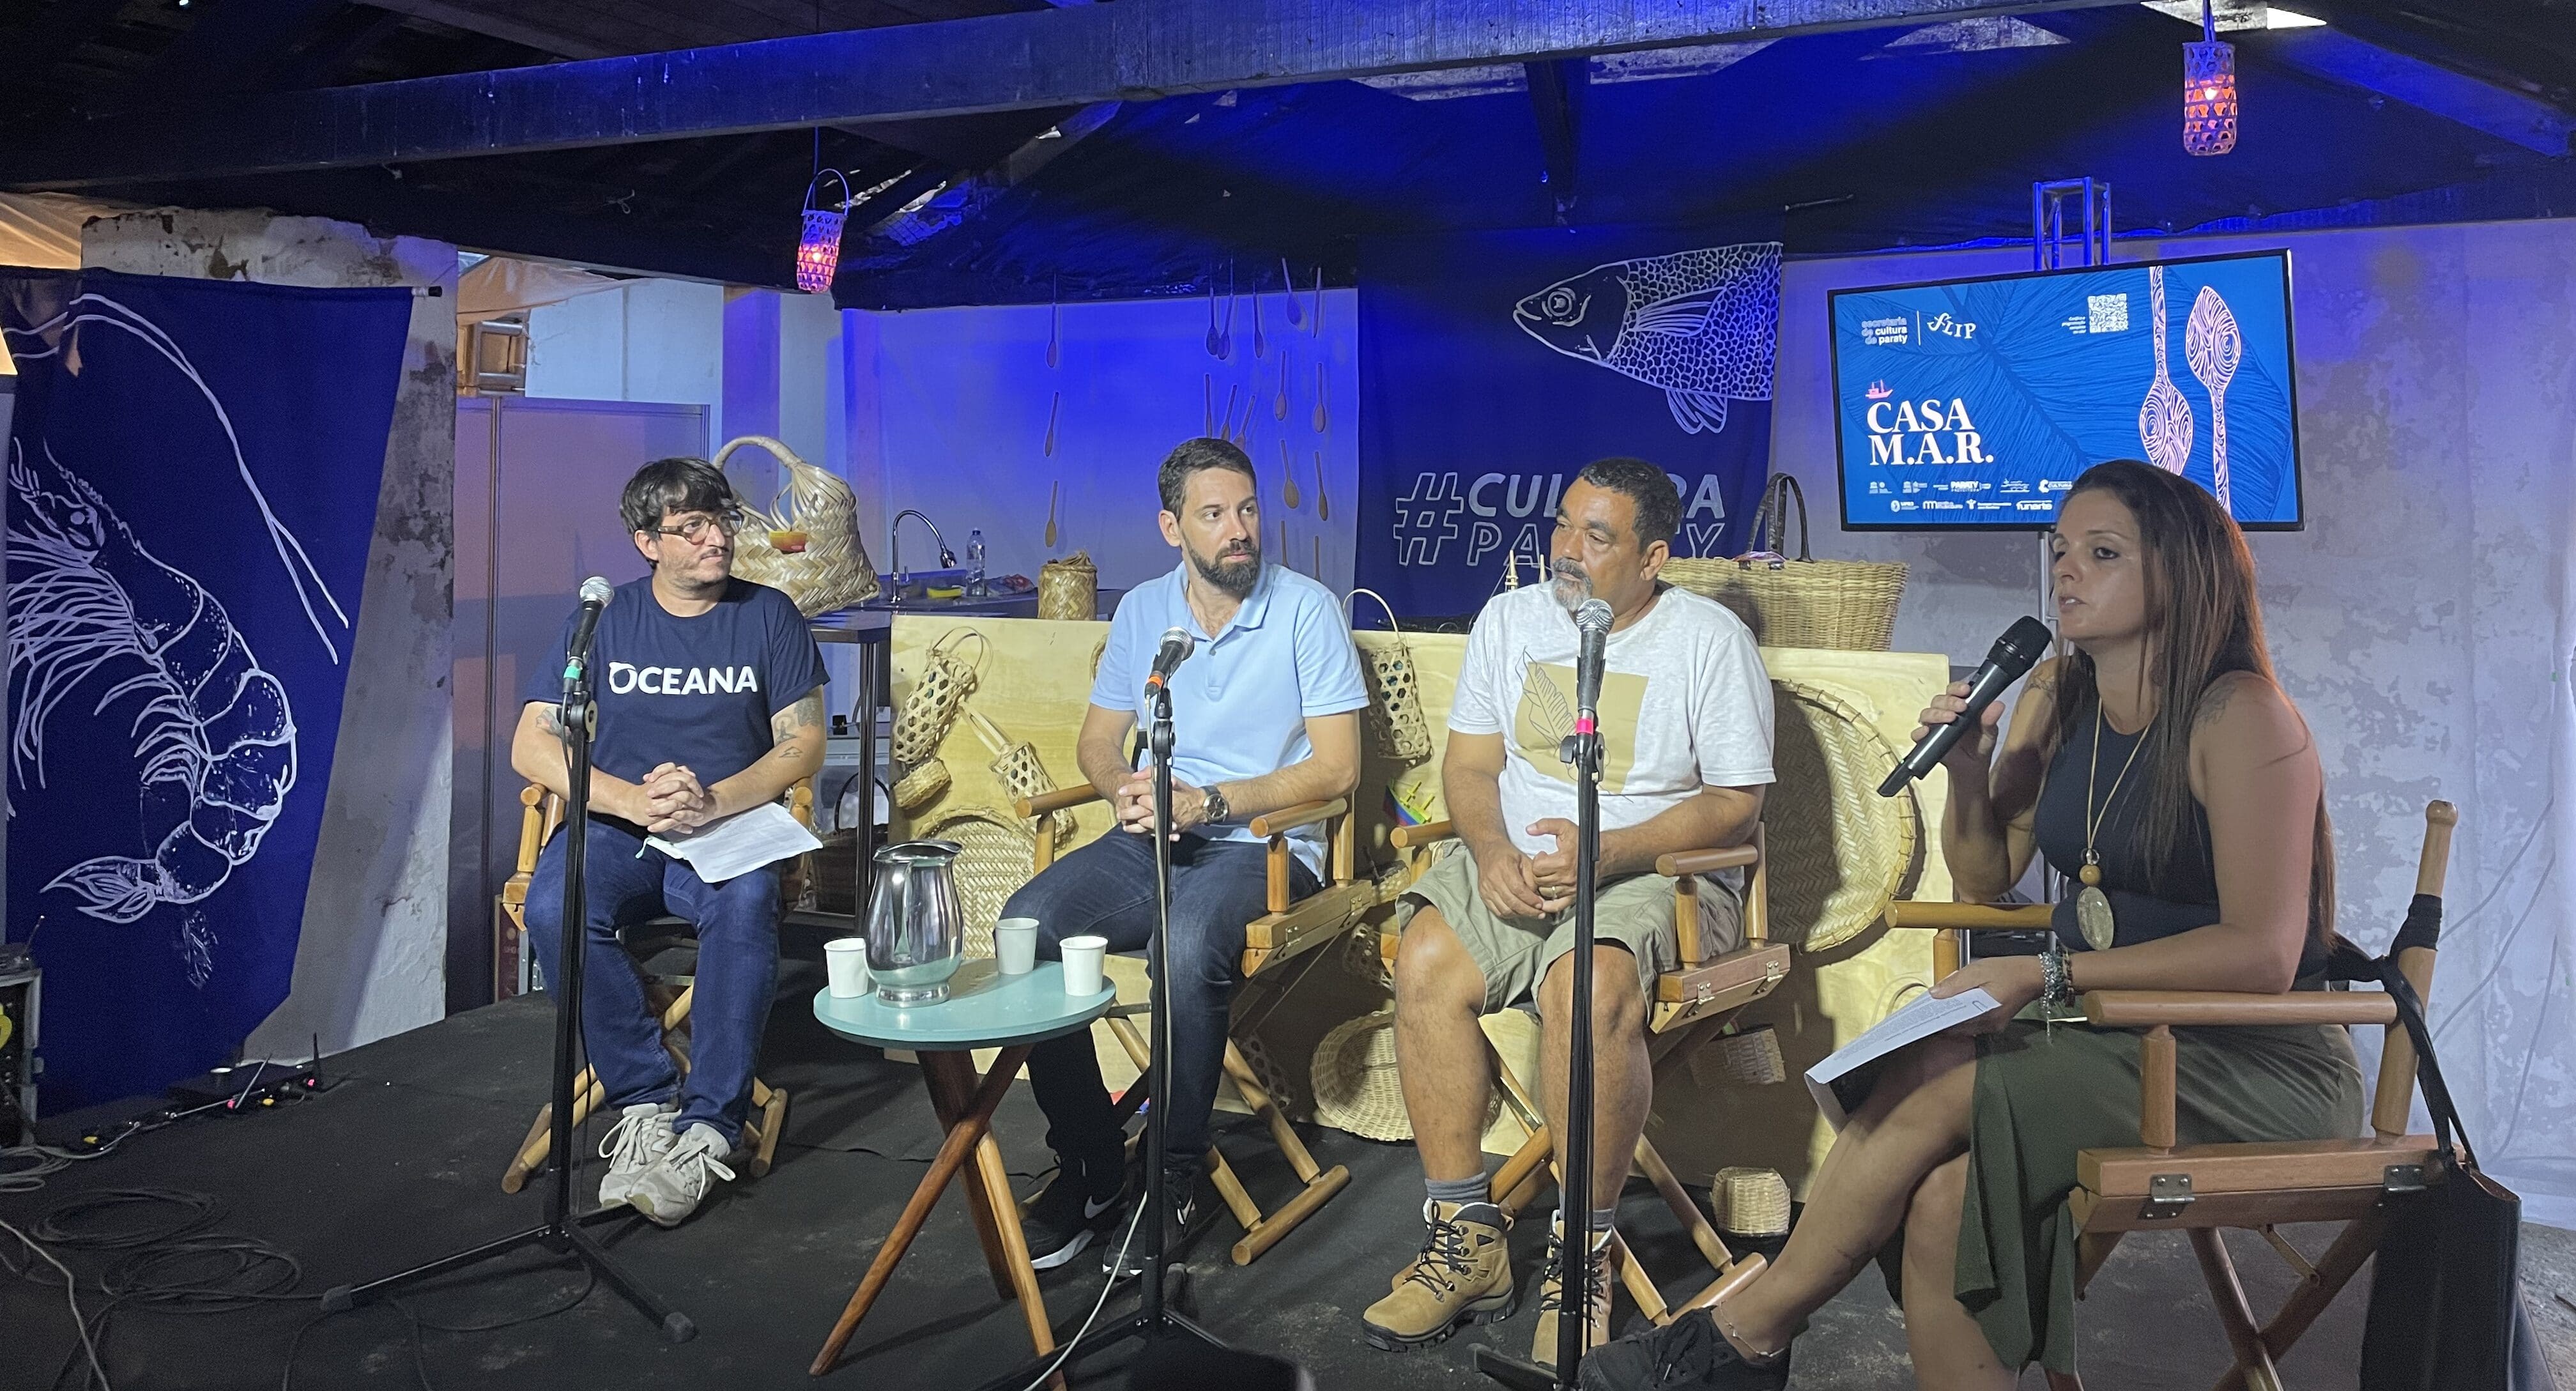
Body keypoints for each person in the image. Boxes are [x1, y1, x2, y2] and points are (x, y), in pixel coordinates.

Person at [1581, 459, 2365, 1390]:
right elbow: (1987, 878)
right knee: (1946, 1197)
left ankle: (1741, 1336)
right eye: (2061, 548)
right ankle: (1742, 1343)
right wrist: (1967, 768)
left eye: (2103, 552)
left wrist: (2047, 974)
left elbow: (2264, 953)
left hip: (2245, 1058)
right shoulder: (2057, 692)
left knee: (1940, 1073)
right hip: (2109, 1033)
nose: (2066, 569)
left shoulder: (2243, 716)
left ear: (2183, 572)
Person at [1365, 458, 1774, 1367]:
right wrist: (1489, 850)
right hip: (1517, 862)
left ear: (1653, 556)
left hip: (1655, 869)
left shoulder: (1709, 641)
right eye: (1563, 525)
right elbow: (1470, 767)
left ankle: (1580, 1254)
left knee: (1584, 986)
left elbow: (1736, 803)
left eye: (1597, 535)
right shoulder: (1511, 619)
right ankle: (1465, 1240)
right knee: (1424, 958)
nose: (1568, 549)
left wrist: (1606, 853)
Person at [1008, 437, 1368, 1272]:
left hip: (1265, 846)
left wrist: (1214, 801)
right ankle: (1092, 1160)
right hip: (1155, 837)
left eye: (1248, 509)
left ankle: (1170, 1175)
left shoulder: (1306, 610)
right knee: (1026, 928)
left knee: (1188, 940)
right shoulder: (1145, 612)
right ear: (1172, 527)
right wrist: (1123, 790)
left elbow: (1339, 770)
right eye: (1214, 514)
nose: (1239, 529)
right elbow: (1099, 741)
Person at [515, 457, 828, 1229]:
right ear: (647, 542)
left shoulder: (768, 615)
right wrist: (630, 799)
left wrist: (714, 799)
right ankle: (645, 1102)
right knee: (555, 905)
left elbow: (804, 743)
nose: (716, 538)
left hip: (730, 825)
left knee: (746, 902)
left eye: (721, 521)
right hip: (618, 827)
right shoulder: (603, 619)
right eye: (691, 527)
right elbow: (531, 741)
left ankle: (710, 1125)